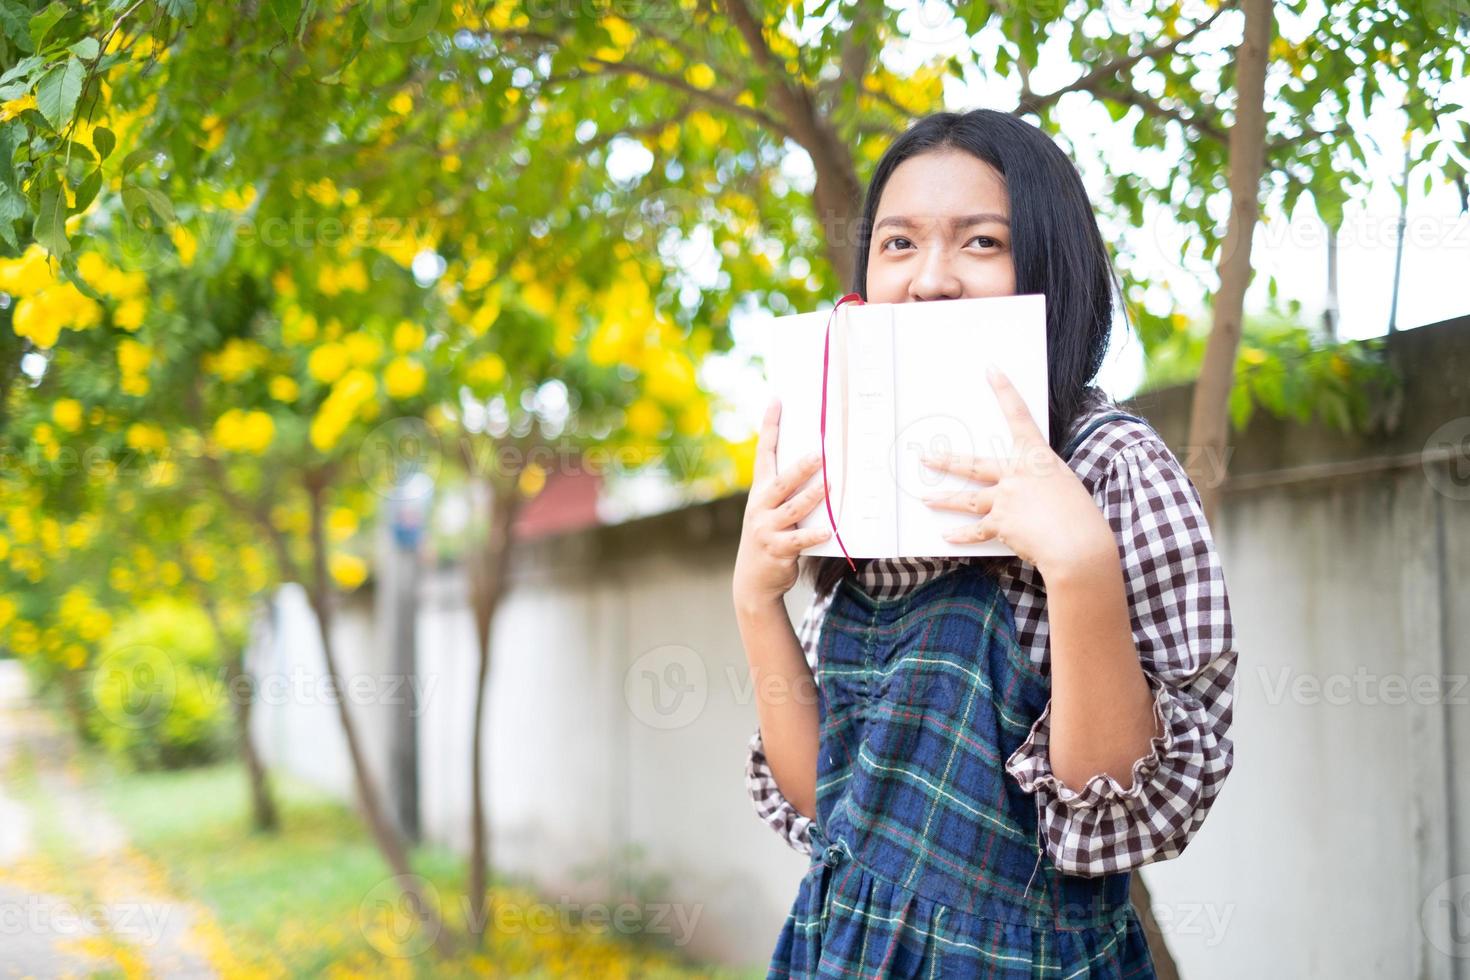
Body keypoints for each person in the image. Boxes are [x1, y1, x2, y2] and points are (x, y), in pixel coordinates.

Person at [732, 108, 1237, 977]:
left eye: (979, 242)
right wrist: (754, 599)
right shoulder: (856, 468)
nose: (930, 280)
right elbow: (828, 799)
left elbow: (1123, 823)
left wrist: (1079, 568)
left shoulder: (1113, 464)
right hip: (839, 948)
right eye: (897, 244)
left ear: (1050, 264)